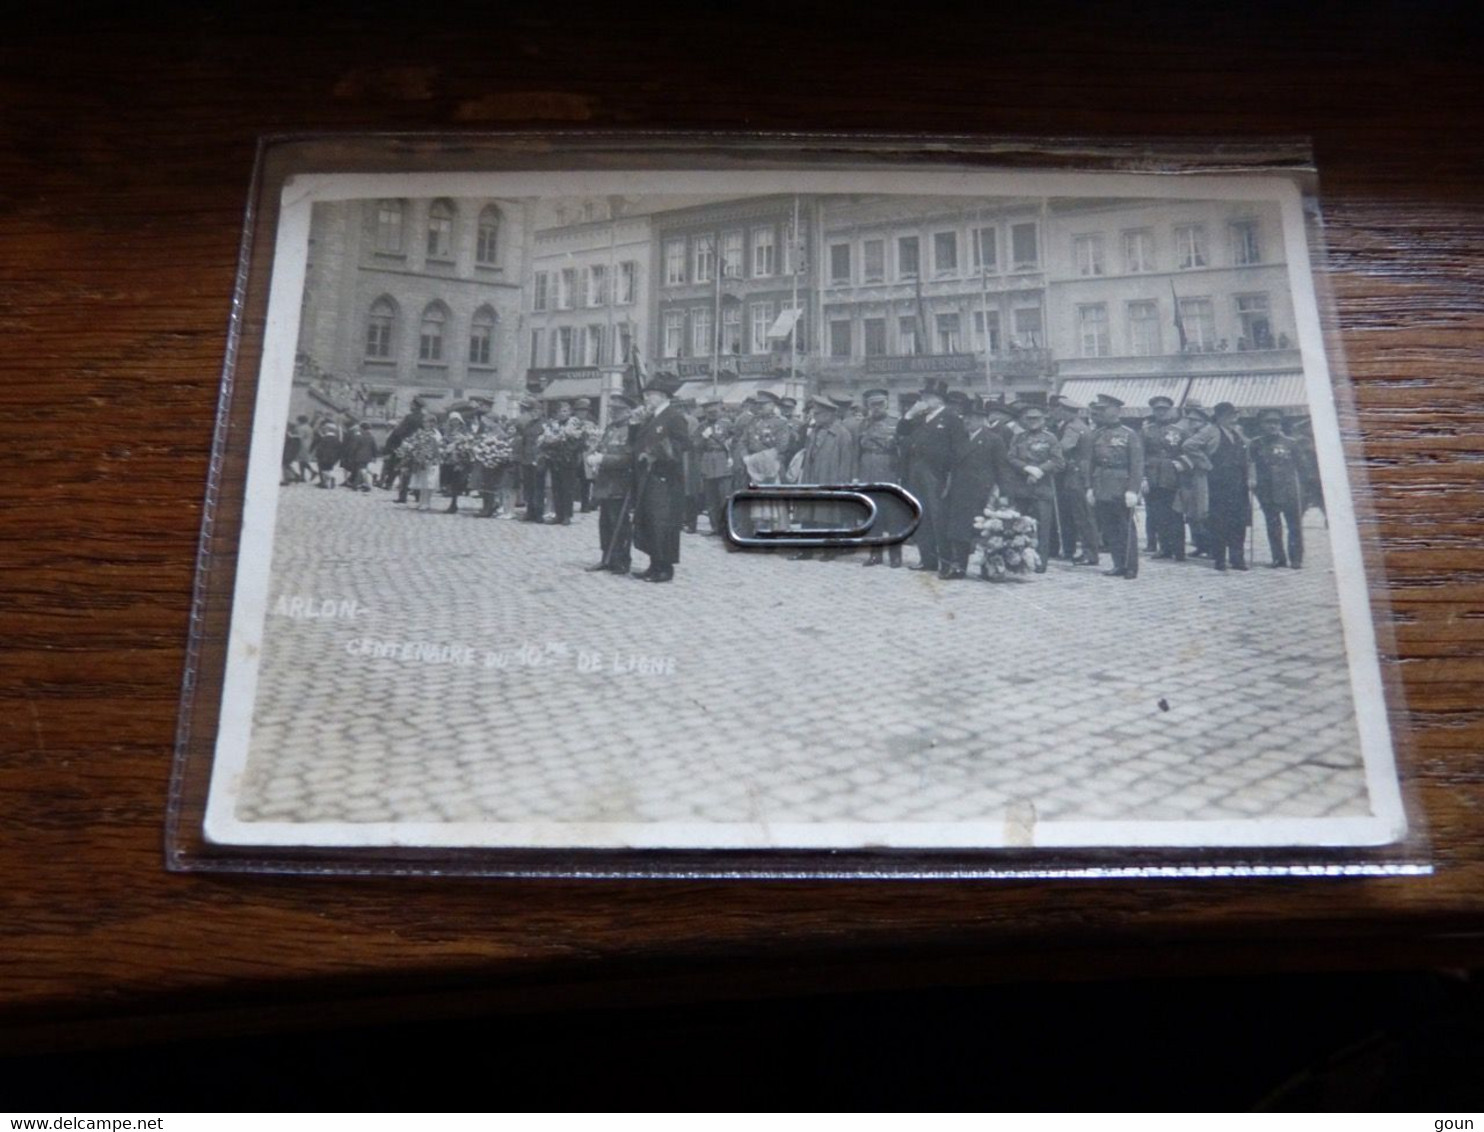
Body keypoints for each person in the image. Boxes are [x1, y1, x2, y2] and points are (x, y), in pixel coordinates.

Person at [897, 380, 967, 574]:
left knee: (939, 518)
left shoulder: (951, 419)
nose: (924, 400)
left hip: (938, 474)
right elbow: (901, 432)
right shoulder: (919, 419)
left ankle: (945, 562)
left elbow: (959, 450)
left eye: (927, 397)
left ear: (939, 400)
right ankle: (927, 559)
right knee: (921, 516)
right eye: (923, 397)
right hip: (916, 471)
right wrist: (909, 414)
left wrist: (950, 475)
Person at [631, 372, 691, 583]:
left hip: (665, 479)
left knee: (662, 522)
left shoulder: (674, 416)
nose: (647, 399)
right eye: (646, 395)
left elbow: (683, 444)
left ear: (664, 396)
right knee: (649, 521)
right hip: (649, 477)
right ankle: (654, 563)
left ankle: (665, 568)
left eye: (651, 395)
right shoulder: (652, 417)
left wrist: (655, 453)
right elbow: (637, 443)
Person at [942, 396, 1007, 579]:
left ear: (981, 419)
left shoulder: (994, 440)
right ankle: (958, 567)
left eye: (971, 417)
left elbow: (1002, 469)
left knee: (986, 532)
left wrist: (1004, 494)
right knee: (958, 532)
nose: (967, 421)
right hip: (960, 491)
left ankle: (990, 568)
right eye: (965, 417)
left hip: (983, 493)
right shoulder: (960, 439)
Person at [1081, 394, 1144, 578]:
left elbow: (1137, 464)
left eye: (1104, 409)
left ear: (1116, 411)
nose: (1099, 413)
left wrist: (1133, 489)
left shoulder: (1129, 434)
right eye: (1098, 409)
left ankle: (1130, 566)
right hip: (1101, 484)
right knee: (1109, 528)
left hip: (1121, 484)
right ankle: (1118, 564)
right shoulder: (1097, 434)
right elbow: (1090, 463)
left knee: (1125, 527)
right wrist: (1089, 487)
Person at [788, 396, 858, 562]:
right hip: (812, 478)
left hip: (830, 479)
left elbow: (846, 462)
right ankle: (806, 550)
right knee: (807, 514)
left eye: (818, 414)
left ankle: (830, 550)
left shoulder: (842, 434)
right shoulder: (814, 432)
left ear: (829, 414)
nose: (815, 417)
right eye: (814, 414)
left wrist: (842, 484)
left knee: (829, 516)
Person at [1186, 401, 1250, 571]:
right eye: (1230, 416)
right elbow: (1189, 445)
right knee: (1219, 521)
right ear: (1220, 417)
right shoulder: (1210, 430)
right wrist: (1205, 463)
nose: (1233, 418)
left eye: (1235, 415)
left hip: (1238, 481)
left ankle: (1237, 559)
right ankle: (1219, 559)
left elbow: (1247, 452)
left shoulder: (1237, 432)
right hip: (1219, 482)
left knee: (1239, 521)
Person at [1004, 403, 1064, 573]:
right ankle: (1019, 560)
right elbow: (1011, 458)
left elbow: (1059, 462)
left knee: (1043, 527)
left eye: (1036, 418)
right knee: (1019, 525)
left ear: (1043, 419)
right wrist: (1026, 468)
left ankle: (1040, 562)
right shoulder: (1018, 438)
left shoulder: (1050, 438)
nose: (1032, 422)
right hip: (1022, 487)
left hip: (1042, 488)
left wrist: (1040, 470)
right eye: (1029, 418)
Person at [585, 394, 636, 575]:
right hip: (605, 482)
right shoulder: (610, 428)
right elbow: (602, 448)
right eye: (612, 410)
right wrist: (595, 455)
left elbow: (629, 458)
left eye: (618, 410)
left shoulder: (632, 430)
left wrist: (603, 459)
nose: (614, 413)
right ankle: (606, 557)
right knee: (605, 522)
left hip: (620, 483)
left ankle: (621, 560)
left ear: (629, 412)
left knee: (619, 523)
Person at [1250, 407, 1306, 569]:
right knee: (1273, 526)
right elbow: (1250, 465)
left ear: (1281, 424)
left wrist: (1303, 492)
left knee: (1294, 526)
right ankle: (1278, 558)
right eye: (1268, 422)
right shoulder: (1256, 444)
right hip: (1267, 492)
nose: (1272, 426)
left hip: (1290, 492)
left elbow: (1302, 469)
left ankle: (1296, 559)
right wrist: (1252, 480)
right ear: (1261, 424)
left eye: (1276, 422)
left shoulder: (1291, 444)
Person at [857, 389, 903, 568]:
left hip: (888, 469)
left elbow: (898, 448)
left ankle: (895, 555)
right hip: (867, 467)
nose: (876, 408)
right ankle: (875, 554)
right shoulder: (864, 424)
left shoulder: (895, 422)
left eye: (880, 404)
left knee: (893, 515)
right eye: (872, 405)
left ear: (886, 404)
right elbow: (858, 448)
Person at [1141, 395, 1191, 560]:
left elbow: (1190, 452)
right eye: (1157, 409)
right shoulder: (1146, 431)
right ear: (1153, 411)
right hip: (1153, 477)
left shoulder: (1180, 431)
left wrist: (1182, 464)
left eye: (1164, 409)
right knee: (1157, 514)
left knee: (1175, 514)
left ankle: (1179, 550)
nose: (1161, 412)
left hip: (1173, 477)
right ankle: (1164, 548)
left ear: (1170, 410)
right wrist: (1143, 479)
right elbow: (1139, 456)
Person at [1050, 395, 1098, 565]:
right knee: (1076, 515)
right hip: (1076, 474)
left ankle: (1090, 553)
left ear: (1066, 411)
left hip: (1075, 475)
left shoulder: (1073, 428)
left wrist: (1048, 452)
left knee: (1081, 515)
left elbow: (1064, 447)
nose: (1058, 413)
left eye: (1060, 410)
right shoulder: (1079, 425)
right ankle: (1079, 550)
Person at [694, 401, 734, 536]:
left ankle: (727, 527)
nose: (711, 414)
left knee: (724, 496)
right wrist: (703, 438)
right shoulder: (701, 427)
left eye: (714, 411)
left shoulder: (727, 424)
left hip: (723, 460)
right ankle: (715, 527)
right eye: (708, 412)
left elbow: (735, 440)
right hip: (707, 461)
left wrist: (731, 455)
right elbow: (695, 445)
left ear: (719, 411)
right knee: (711, 498)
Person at [383, 399, 426, 501]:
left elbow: (399, 431)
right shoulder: (424, 418)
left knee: (405, 471)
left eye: (411, 404)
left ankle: (403, 496)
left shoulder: (409, 417)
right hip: (421, 447)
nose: (410, 406)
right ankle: (418, 495)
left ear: (415, 406)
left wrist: (391, 444)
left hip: (408, 446)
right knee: (418, 472)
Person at [546, 401, 580, 525]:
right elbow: (547, 439)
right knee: (556, 488)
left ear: (570, 412)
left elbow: (577, 443)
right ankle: (558, 514)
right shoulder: (553, 425)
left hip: (568, 461)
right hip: (555, 460)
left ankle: (567, 515)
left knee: (567, 489)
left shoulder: (575, 425)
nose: (562, 414)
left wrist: (564, 446)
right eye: (560, 411)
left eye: (565, 411)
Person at [517, 399, 547, 523]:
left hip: (538, 459)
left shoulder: (544, 425)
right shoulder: (528, 425)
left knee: (538, 488)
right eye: (532, 411)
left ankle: (539, 512)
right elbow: (524, 442)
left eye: (536, 411)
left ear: (541, 412)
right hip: (527, 459)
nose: (534, 413)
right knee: (528, 487)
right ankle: (530, 511)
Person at [341, 421, 378, 492]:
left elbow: (354, 447)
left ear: (361, 428)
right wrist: (375, 456)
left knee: (361, 471)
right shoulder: (371, 437)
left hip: (358, 456)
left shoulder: (359, 436)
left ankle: (367, 485)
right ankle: (355, 484)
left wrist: (350, 455)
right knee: (360, 470)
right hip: (368, 457)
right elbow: (374, 448)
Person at [309, 416, 344, 490]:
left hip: (324, 457)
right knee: (328, 469)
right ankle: (325, 482)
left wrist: (317, 456)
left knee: (323, 469)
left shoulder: (324, 438)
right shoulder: (337, 439)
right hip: (333, 457)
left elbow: (320, 449)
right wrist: (338, 458)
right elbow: (340, 449)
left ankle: (328, 480)